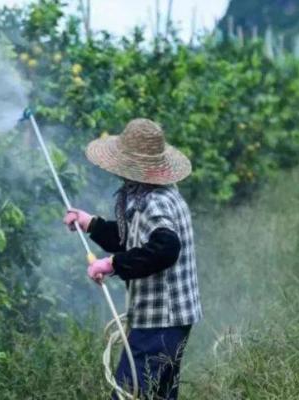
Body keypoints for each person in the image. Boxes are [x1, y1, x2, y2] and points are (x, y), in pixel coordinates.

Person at [63, 118, 202, 400]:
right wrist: (90, 223)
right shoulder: (148, 194)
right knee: (159, 394)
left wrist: (111, 264)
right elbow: (133, 238)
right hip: (170, 320)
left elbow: (165, 247)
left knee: (129, 393)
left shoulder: (157, 201)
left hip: (161, 320)